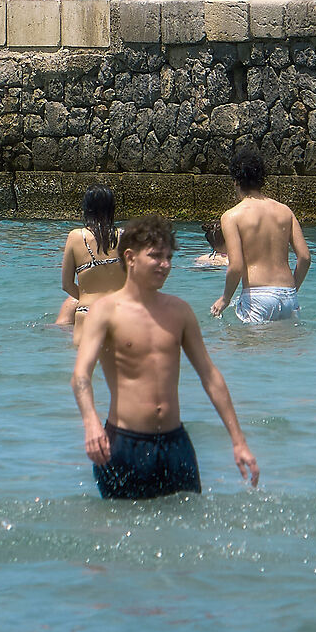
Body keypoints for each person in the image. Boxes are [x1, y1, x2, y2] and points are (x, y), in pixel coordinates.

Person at [72, 213, 259, 499]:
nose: (166, 265)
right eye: (156, 256)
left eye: (169, 257)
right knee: (124, 532)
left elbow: (210, 376)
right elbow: (81, 375)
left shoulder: (179, 311)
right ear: (131, 257)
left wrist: (239, 441)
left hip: (176, 445)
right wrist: (90, 424)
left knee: (189, 530)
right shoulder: (105, 311)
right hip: (123, 443)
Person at [208, 146, 311, 324]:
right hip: (288, 295)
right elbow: (305, 258)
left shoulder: (232, 216)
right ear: (261, 179)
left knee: (251, 349)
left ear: (236, 181)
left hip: (258, 296)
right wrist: (292, 289)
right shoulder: (285, 211)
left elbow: (236, 267)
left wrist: (224, 299)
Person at [55, 185, 127, 328]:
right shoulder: (125, 236)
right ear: (112, 209)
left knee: (82, 350)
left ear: (86, 209)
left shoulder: (75, 237)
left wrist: (87, 299)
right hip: (120, 311)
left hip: (87, 312)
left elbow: (67, 285)